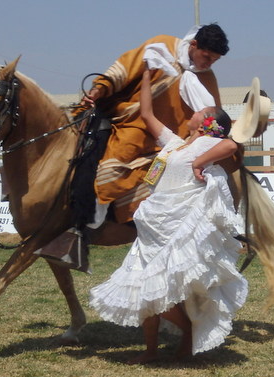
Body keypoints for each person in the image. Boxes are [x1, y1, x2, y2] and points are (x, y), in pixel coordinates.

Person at [89, 67, 248, 364]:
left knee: (154, 290)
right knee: (141, 287)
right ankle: (150, 351)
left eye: (199, 111)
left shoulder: (207, 143)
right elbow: (147, 115)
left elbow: (232, 144)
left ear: (206, 123)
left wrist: (200, 161)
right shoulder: (175, 144)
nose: (192, 111)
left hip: (176, 229)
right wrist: (146, 79)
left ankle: (187, 333)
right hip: (152, 227)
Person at [78, 23, 231, 224]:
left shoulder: (206, 77)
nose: (209, 64)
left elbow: (216, 118)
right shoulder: (162, 47)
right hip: (136, 124)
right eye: (207, 57)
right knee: (115, 163)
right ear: (194, 44)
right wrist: (100, 89)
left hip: (179, 140)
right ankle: (99, 209)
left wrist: (198, 155)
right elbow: (129, 78)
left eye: (215, 60)